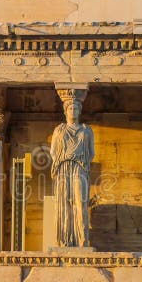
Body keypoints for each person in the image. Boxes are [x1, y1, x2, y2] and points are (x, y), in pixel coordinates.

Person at [50, 89, 94, 247]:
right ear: (65, 110)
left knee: (80, 202)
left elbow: (91, 152)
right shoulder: (59, 130)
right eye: (70, 108)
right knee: (64, 204)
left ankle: (82, 240)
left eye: (76, 108)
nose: (73, 111)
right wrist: (63, 159)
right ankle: (64, 240)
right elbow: (53, 151)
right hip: (63, 168)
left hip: (79, 167)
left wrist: (80, 160)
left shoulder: (86, 130)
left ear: (80, 111)